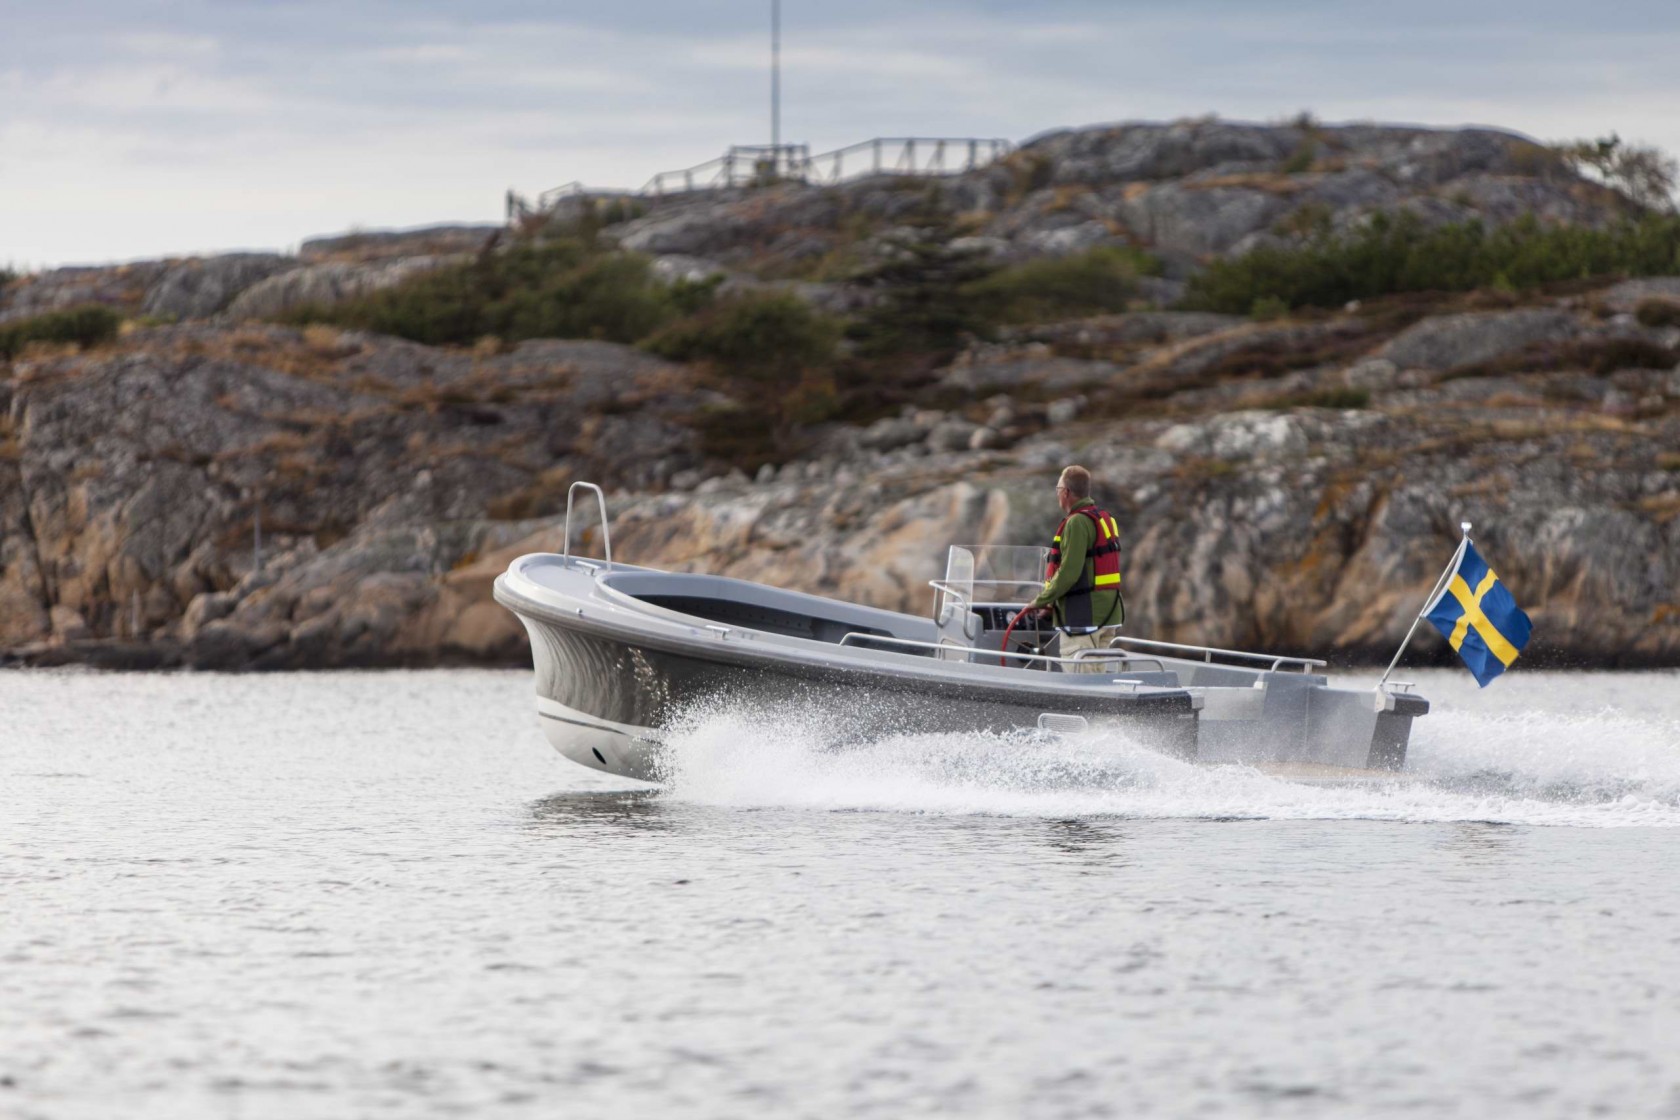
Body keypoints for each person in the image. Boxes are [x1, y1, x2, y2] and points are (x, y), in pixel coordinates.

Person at [1018, 465, 1125, 674]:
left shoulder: (1077, 523)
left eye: (1058, 489)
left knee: (1081, 682)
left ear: (1066, 492)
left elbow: (1069, 572)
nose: (1057, 494)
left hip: (1083, 618)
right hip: (1108, 615)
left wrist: (1040, 601)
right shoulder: (1105, 519)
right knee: (1097, 678)